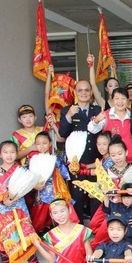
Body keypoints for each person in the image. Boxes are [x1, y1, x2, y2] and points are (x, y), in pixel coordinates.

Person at [0, 140, 45, 263]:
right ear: (0, 154)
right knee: (3, 239)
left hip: (19, 209)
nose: (9, 155)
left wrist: (41, 179)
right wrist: (2, 200)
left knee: (27, 237)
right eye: (5, 152)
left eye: (12, 152)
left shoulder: (22, 170)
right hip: (1, 210)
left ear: (17, 154)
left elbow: (37, 186)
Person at [59, 79, 102, 221]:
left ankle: (96, 230)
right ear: (75, 92)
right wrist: (69, 116)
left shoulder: (97, 110)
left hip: (95, 160)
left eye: (87, 90)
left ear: (91, 93)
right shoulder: (67, 110)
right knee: (77, 196)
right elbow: (63, 133)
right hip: (77, 162)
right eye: (80, 90)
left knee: (96, 197)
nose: (84, 93)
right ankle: (78, 230)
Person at [29, 132, 78, 233]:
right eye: (38, 144)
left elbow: (65, 176)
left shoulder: (56, 158)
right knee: (40, 214)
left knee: (59, 210)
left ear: (50, 143)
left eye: (44, 143)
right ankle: (42, 230)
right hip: (41, 191)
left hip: (56, 190)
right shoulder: (33, 160)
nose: (41, 146)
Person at [88, 87, 132, 163]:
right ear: (112, 100)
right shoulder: (106, 115)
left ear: (128, 100)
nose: (120, 102)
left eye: (123, 98)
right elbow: (91, 129)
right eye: (117, 98)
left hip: (131, 159)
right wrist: (96, 120)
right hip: (112, 161)